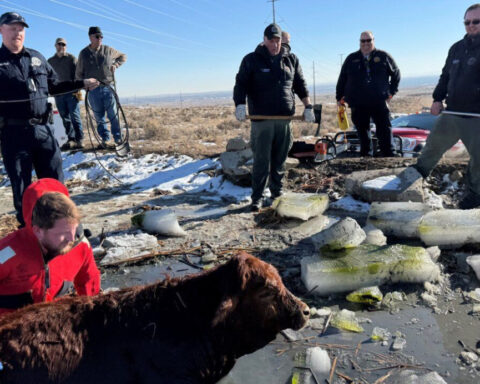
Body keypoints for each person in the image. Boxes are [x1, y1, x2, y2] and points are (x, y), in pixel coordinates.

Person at [0, 12, 99, 227]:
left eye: (21, 28)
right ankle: (30, 235)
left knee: (55, 184)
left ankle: (68, 231)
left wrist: (82, 83)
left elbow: (55, 86)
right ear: (1, 30)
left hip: (43, 131)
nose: (17, 32)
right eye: (12, 28)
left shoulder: (37, 57)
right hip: (13, 134)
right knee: (23, 189)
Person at [233, 23, 315, 211]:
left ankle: (276, 193)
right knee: (262, 160)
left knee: (279, 160)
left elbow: (300, 85)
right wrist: (239, 104)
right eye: (271, 40)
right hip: (262, 121)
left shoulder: (291, 60)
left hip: (284, 121)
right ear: (264, 40)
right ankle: (257, 198)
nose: (274, 44)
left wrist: (308, 106)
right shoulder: (252, 59)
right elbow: (241, 84)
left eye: (277, 40)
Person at [0, 178, 101, 316]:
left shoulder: (80, 245)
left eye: (73, 229)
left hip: (53, 326)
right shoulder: (7, 253)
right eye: (63, 234)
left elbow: (90, 291)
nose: (71, 239)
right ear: (38, 231)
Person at [413, 3, 480, 209]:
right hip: (452, 112)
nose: (471, 25)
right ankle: (415, 179)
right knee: (432, 147)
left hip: (477, 117)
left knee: (479, 158)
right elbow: (445, 76)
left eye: (476, 21)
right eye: (467, 22)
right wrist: (436, 98)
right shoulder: (456, 48)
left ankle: (475, 195)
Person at [336, 31, 400, 157]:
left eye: (368, 40)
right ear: (359, 42)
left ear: (373, 40)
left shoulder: (383, 56)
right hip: (358, 102)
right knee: (362, 130)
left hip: (379, 100)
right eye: (363, 41)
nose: (366, 43)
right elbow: (342, 79)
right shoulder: (351, 58)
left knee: (384, 129)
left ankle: (389, 156)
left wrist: (391, 93)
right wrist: (339, 97)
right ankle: (366, 157)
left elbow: (396, 74)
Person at [76, 26, 127, 148]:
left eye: (101, 37)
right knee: (99, 116)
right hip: (93, 90)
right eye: (97, 37)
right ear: (90, 37)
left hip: (108, 87)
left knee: (113, 114)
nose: (100, 39)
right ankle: (105, 140)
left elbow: (123, 56)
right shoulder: (83, 53)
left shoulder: (108, 50)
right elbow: (79, 73)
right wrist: (83, 86)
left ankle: (118, 139)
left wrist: (115, 64)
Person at [48, 37, 84, 150]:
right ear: (55, 46)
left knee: (75, 116)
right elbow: (47, 78)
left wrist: (78, 89)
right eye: (59, 44)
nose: (61, 46)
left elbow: (78, 75)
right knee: (65, 117)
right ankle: (71, 139)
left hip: (71, 93)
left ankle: (80, 139)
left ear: (66, 46)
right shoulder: (50, 62)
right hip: (58, 94)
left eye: (63, 45)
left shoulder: (72, 59)